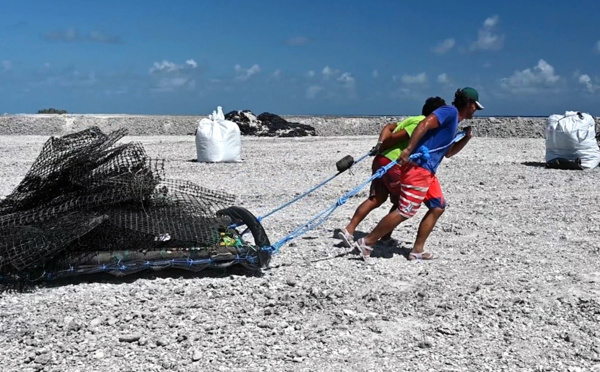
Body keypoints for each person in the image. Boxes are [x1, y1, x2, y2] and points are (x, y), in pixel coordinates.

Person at [354, 87, 483, 262]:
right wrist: (408, 149)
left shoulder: (453, 123)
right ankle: (367, 242)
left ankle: (417, 250)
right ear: (468, 103)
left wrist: (466, 138)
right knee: (405, 210)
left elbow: (448, 153)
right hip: (419, 169)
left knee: (438, 206)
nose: (476, 110)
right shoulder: (449, 112)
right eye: (475, 106)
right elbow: (424, 124)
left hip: (429, 172)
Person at [338, 97, 447, 249]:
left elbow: (388, 127)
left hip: (381, 160)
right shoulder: (420, 123)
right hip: (393, 163)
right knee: (400, 203)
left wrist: (380, 144)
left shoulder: (412, 119)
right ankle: (384, 237)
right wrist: (385, 145)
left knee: (377, 198)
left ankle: (349, 229)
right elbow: (395, 138)